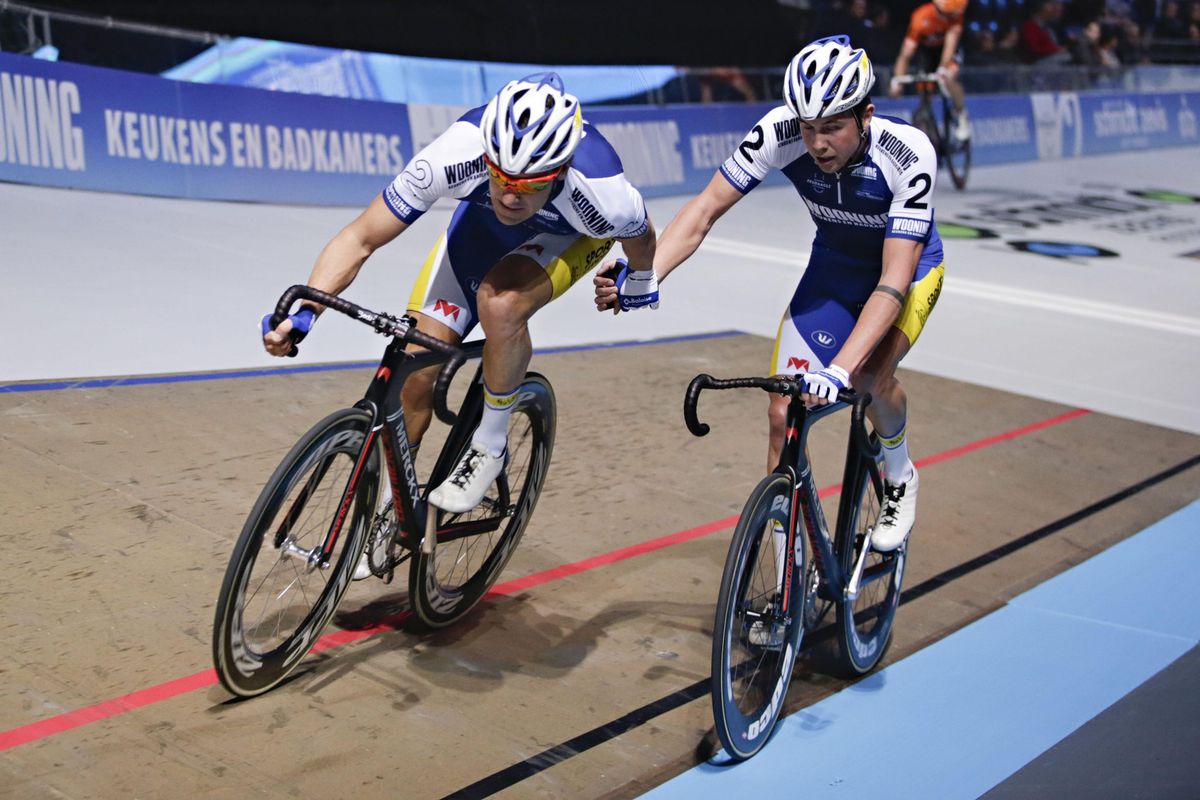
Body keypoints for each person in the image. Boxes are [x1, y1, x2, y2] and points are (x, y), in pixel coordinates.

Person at [262, 72, 656, 559]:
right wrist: (306, 312)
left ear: (558, 172)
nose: (511, 196)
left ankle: (490, 445)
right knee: (413, 374)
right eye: (501, 178)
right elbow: (360, 237)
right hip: (480, 233)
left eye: (528, 185)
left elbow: (642, 242)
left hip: (566, 238)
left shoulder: (604, 196)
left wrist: (638, 281)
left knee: (501, 302)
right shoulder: (454, 155)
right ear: (487, 157)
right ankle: (390, 507)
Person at [595, 35, 943, 553]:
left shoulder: (908, 154)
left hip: (906, 275)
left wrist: (839, 370)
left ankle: (898, 472)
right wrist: (646, 276)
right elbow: (705, 210)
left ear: (866, 115)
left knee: (869, 377)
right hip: (834, 270)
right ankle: (786, 575)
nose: (818, 143)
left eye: (833, 128)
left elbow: (893, 281)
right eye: (808, 128)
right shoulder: (778, 133)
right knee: (782, 412)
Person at [889, 0, 971, 142]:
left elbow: (950, 46)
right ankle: (927, 123)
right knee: (924, 91)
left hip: (949, 51)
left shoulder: (956, 15)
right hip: (928, 54)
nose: (950, 18)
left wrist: (943, 68)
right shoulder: (920, 18)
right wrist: (897, 80)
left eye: (952, 15)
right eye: (947, 15)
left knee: (948, 78)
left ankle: (961, 113)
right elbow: (905, 54)